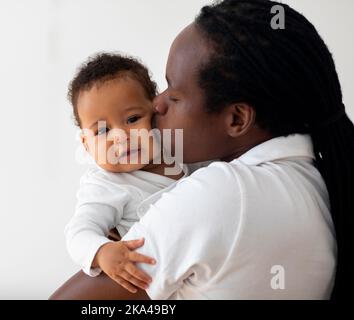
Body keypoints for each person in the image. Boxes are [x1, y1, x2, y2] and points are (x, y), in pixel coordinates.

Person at [51, 0, 354, 300]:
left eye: (175, 94)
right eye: (101, 130)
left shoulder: (223, 192)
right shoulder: (313, 177)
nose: (157, 104)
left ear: (236, 119)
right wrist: (99, 249)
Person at [65, 53, 189, 293]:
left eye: (132, 119)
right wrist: (101, 252)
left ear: (157, 112)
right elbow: (79, 232)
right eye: (102, 130)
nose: (120, 136)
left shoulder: (180, 150)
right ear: (86, 144)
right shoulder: (105, 185)